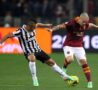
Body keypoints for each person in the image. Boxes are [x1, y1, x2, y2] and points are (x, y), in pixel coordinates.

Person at [0, 21, 76, 86]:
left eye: (34, 28)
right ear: (28, 27)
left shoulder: (33, 26)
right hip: (28, 51)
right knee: (32, 58)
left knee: (51, 62)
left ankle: (65, 76)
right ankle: (34, 78)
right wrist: (1, 43)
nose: (33, 30)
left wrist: (46, 25)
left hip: (38, 50)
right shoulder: (20, 31)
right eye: (32, 29)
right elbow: (8, 35)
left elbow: (38, 24)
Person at [49, 12, 98, 88]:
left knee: (84, 62)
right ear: (80, 19)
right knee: (70, 59)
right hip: (69, 45)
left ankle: (89, 82)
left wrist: (97, 27)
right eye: (84, 22)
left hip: (79, 46)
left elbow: (91, 25)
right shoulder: (72, 23)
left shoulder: (85, 24)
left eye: (86, 22)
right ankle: (64, 68)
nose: (85, 24)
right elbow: (60, 26)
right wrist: (52, 29)